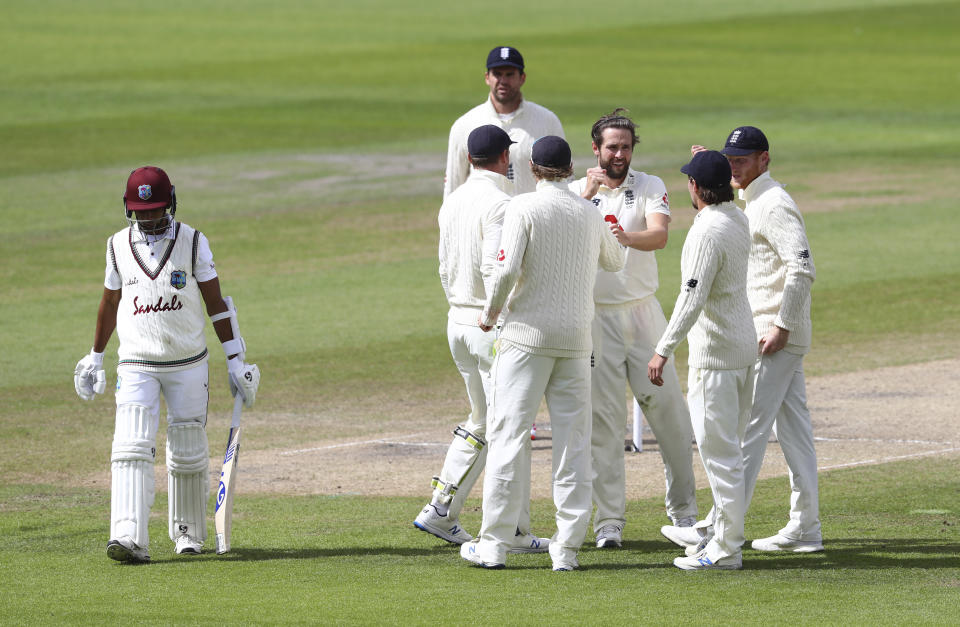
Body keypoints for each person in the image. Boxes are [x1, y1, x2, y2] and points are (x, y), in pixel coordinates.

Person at [73, 166, 260, 563]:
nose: (149, 219)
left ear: (171, 203)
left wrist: (235, 358)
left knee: (188, 448)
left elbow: (216, 303)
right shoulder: (116, 245)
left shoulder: (193, 242)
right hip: (136, 362)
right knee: (130, 447)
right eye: (142, 212)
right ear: (129, 209)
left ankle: (188, 534)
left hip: (188, 362)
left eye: (156, 210)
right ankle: (126, 536)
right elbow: (109, 302)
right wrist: (95, 356)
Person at [459, 137, 625, 571]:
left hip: (526, 338)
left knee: (508, 437)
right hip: (575, 340)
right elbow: (615, 260)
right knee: (572, 443)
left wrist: (490, 314)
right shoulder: (588, 212)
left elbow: (506, 267)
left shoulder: (523, 208)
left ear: (534, 169)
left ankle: (493, 544)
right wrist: (597, 214)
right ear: (569, 169)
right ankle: (566, 550)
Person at [661, 127, 822, 554]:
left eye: (742, 160)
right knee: (795, 434)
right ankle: (806, 526)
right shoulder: (750, 199)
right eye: (729, 160)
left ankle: (715, 530)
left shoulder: (773, 204)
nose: (734, 167)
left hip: (773, 335)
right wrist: (707, 162)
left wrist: (782, 325)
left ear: (764, 160)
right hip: (771, 331)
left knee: (745, 434)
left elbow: (802, 268)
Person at [414, 125, 548, 554]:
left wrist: (466, 309)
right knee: (509, 428)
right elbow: (496, 268)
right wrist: (496, 316)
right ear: (504, 159)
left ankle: (441, 509)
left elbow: (441, 267)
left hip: (458, 320)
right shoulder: (502, 204)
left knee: (483, 420)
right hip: (489, 327)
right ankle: (514, 531)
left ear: (471, 159)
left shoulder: (452, 202)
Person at [569, 110, 697, 549]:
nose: (619, 154)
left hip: (643, 315)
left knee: (671, 418)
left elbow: (659, 236)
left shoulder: (650, 185)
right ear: (596, 149)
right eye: (611, 147)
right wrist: (586, 199)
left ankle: (685, 516)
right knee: (604, 426)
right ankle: (609, 524)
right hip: (596, 320)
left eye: (625, 147)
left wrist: (617, 237)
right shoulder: (575, 193)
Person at [648, 150, 756, 570]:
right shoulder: (737, 217)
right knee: (730, 451)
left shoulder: (706, 232)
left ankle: (725, 550)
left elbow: (692, 296)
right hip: (742, 350)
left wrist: (663, 348)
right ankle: (713, 530)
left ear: (694, 187)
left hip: (716, 356)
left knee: (720, 455)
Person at [443, 46, 564, 200]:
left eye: (509, 74)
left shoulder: (547, 121)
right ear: (487, 77)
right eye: (497, 74)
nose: (503, 81)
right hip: (485, 221)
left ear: (522, 78)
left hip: (533, 220)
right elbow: (453, 186)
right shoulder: (464, 125)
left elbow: (564, 179)